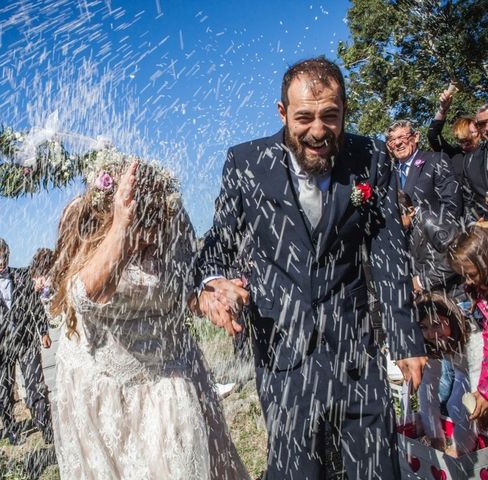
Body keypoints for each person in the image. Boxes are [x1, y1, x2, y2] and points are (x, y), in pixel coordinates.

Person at [195, 56, 427, 479]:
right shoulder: (246, 163)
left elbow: (389, 251)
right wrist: (212, 284)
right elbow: (218, 243)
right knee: (297, 470)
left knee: (376, 469)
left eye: (330, 116)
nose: (318, 131)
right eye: (304, 117)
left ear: (344, 111)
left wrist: (406, 336)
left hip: (356, 352)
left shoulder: (371, 156)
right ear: (282, 113)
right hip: (284, 355)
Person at [50, 153, 249, 479]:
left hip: (170, 377)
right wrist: (122, 229)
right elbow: (82, 297)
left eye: (156, 222)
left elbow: (181, 289)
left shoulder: (172, 217)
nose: (152, 237)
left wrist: (206, 299)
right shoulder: (89, 221)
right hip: (105, 386)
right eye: (144, 224)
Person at [0, 238, 54, 445]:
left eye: (4, 255)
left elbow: (35, 305)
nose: (1, 260)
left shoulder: (22, 275)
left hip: (25, 340)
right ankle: (11, 429)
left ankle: (46, 427)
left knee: (36, 385)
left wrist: (43, 330)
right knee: (3, 393)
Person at [415, 291, 482, 456]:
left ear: (451, 318)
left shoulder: (473, 337)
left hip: (481, 373)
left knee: (462, 407)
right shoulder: (433, 343)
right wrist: (435, 436)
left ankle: (465, 451)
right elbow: (428, 389)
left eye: (436, 324)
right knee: (454, 404)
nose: (431, 334)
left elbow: (475, 397)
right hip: (464, 371)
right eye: (423, 327)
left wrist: (459, 450)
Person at [448, 224, 488, 422]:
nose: (468, 282)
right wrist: (483, 389)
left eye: (471, 274)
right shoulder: (480, 292)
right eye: (464, 275)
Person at [386, 119, 461, 222]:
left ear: (416, 137)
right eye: (392, 140)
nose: (397, 143)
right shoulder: (389, 172)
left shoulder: (436, 160)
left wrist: (440, 233)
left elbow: (452, 204)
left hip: (434, 234)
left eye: (402, 137)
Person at [397, 190, 461, 295]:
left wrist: (421, 281)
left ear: (411, 211)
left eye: (398, 219)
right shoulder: (409, 229)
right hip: (437, 293)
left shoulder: (430, 222)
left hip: (453, 293)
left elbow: (457, 256)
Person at [427, 86, 480, 161]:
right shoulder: (454, 154)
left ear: (480, 133)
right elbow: (433, 135)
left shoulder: (484, 154)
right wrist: (443, 109)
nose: (468, 138)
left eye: (472, 133)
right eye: (463, 136)